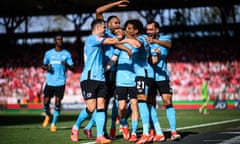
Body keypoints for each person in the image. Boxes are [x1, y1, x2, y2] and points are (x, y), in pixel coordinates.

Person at [70, 19, 131, 143]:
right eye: (103, 27)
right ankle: (76, 127)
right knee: (91, 108)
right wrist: (125, 37)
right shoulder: (91, 39)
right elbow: (113, 41)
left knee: (101, 107)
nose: (105, 30)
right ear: (97, 28)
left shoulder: (100, 42)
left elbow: (113, 45)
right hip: (89, 78)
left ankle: (100, 136)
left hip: (101, 78)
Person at [83, 0, 131, 139]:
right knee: (102, 105)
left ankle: (112, 129)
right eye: (115, 22)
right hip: (104, 72)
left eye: (119, 23)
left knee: (117, 102)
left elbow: (122, 45)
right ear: (107, 24)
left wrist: (125, 43)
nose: (118, 25)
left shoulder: (118, 37)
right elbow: (98, 11)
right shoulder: (102, 35)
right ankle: (96, 129)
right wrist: (116, 4)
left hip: (117, 72)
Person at [146, 20, 181, 141]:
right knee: (150, 104)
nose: (149, 32)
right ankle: (153, 131)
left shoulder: (165, 39)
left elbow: (169, 45)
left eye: (151, 29)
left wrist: (154, 42)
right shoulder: (144, 41)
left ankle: (173, 131)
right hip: (149, 77)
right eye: (147, 29)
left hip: (162, 77)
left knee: (167, 101)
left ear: (157, 30)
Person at [41, 34, 75, 132]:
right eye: (58, 39)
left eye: (61, 39)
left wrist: (67, 65)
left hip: (60, 82)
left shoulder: (66, 54)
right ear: (55, 41)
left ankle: (53, 124)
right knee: (46, 101)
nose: (59, 41)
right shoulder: (48, 53)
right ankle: (47, 115)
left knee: (57, 102)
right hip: (50, 81)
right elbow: (43, 65)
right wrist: (47, 68)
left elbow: (73, 68)